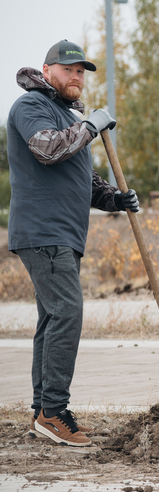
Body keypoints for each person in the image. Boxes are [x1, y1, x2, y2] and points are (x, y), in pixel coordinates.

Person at [7, 40, 140, 447]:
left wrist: (113, 199)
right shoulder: (29, 107)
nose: (76, 77)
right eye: (68, 70)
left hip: (63, 234)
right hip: (43, 231)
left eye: (81, 71)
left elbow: (81, 180)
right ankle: (52, 411)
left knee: (52, 320)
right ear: (47, 71)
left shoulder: (67, 115)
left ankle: (46, 411)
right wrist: (91, 126)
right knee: (67, 313)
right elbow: (48, 149)